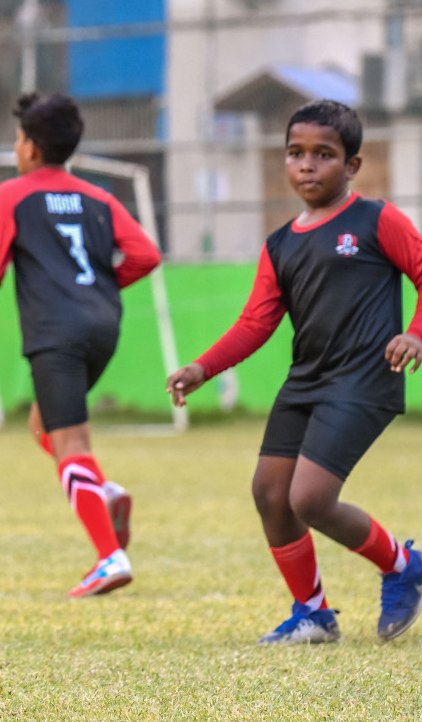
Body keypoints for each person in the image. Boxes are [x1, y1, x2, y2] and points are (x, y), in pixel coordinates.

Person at [168, 100, 422, 645]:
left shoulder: (378, 220)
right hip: (307, 381)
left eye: (323, 155)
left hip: (364, 380)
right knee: (269, 492)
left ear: (352, 166)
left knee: (309, 498)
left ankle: (402, 564)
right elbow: (255, 322)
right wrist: (202, 367)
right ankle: (313, 613)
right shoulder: (280, 243)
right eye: (295, 153)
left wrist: (415, 333)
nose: (306, 165)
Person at [0, 92, 161, 598]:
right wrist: (99, 287)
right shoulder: (99, 198)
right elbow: (146, 255)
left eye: (18, 137)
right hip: (103, 327)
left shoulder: (9, 197)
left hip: (55, 332)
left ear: (31, 147)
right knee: (45, 425)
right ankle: (105, 492)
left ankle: (109, 557)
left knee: (71, 444)